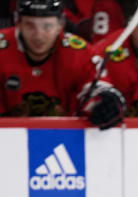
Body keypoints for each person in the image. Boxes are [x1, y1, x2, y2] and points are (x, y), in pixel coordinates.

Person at [0, 0, 125, 129]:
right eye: (30, 25)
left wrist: (106, 102)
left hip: (66, 138)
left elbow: (97, 87)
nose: (38, 35)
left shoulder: (78, 52)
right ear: (18, 23)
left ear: (61, 24)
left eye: (47, 26)